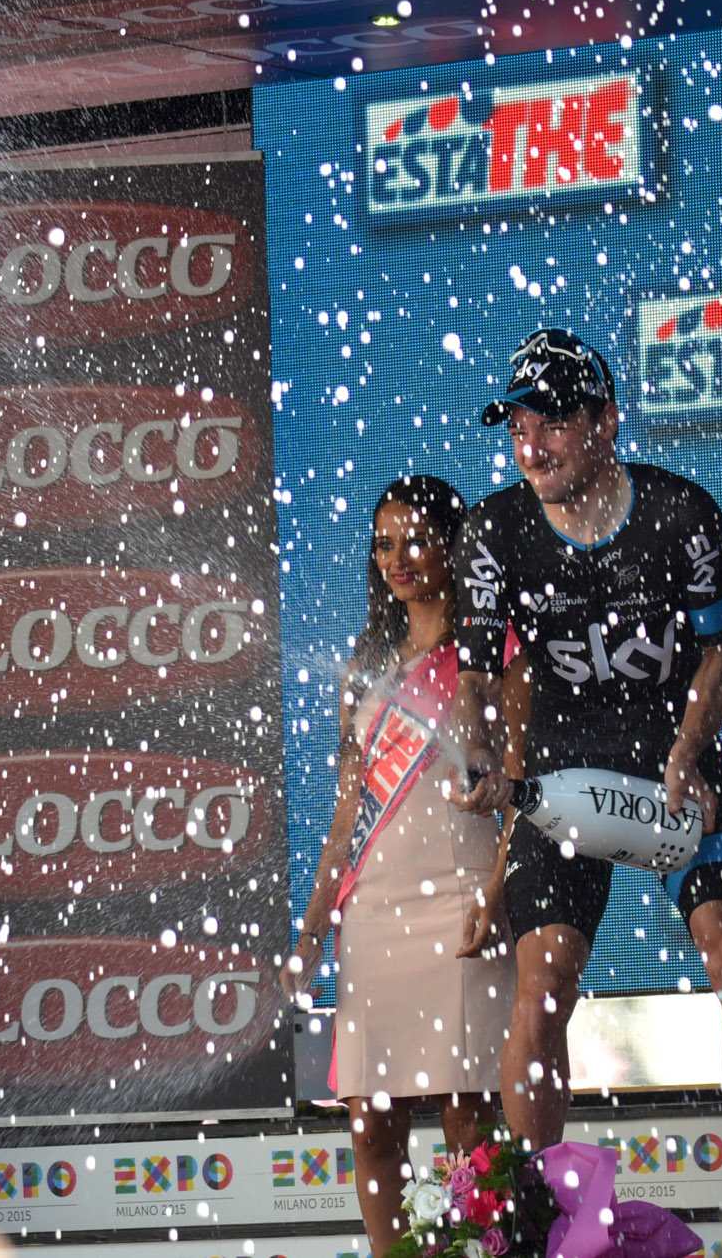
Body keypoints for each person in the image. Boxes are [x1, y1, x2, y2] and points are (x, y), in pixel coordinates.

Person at [447, 328, 722, 1202]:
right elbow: (478, 676)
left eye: (553, 422)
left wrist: (687, 747)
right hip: (560, 771)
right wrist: (479, 749)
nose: (532, 446)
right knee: (543, 982)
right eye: (518, 426)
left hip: (674, 760)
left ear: (607, 421)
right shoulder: (493, 530)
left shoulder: (681, 513)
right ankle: (531, 1214)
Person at [280, 474, 518, 1252]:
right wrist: (313, 932)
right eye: (384, 543)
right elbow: (346, 817)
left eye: (417, 539)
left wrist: (498, 890)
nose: (398, 557)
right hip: (375, 915)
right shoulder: (368, 665)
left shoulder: (495, 651)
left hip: (462, 900)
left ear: (456, 546)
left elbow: (521, 787)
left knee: (468, 1119)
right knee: (372, 1122)